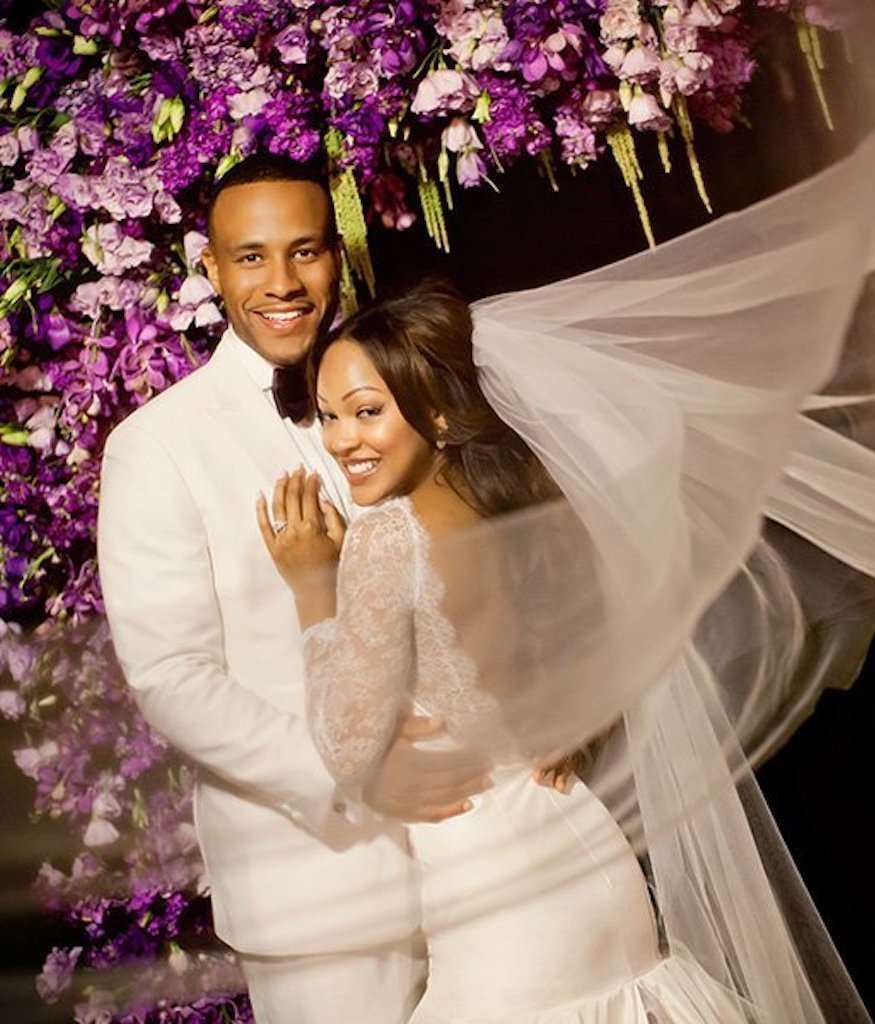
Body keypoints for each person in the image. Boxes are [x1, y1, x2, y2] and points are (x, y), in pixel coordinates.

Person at [258, 278, 756, 1023]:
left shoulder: (387, 539)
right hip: (585, 852)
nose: (340, 442)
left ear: (433, 410)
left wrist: (310, 588)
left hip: (506, 907)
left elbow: (348, 742)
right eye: (328, 417)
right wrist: (580, 723)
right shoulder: (512, 498)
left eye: (367, 413)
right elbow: (608, 630)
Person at [97, 155, 492, 1024]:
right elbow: (173, 679)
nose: (283, 282)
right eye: (251, 257)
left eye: (306, 251)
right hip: (320, 879)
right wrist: (357, 773)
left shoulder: (404, 392)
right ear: (211, 269)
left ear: (338, 258)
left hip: (482, 852)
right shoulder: (156, 446)